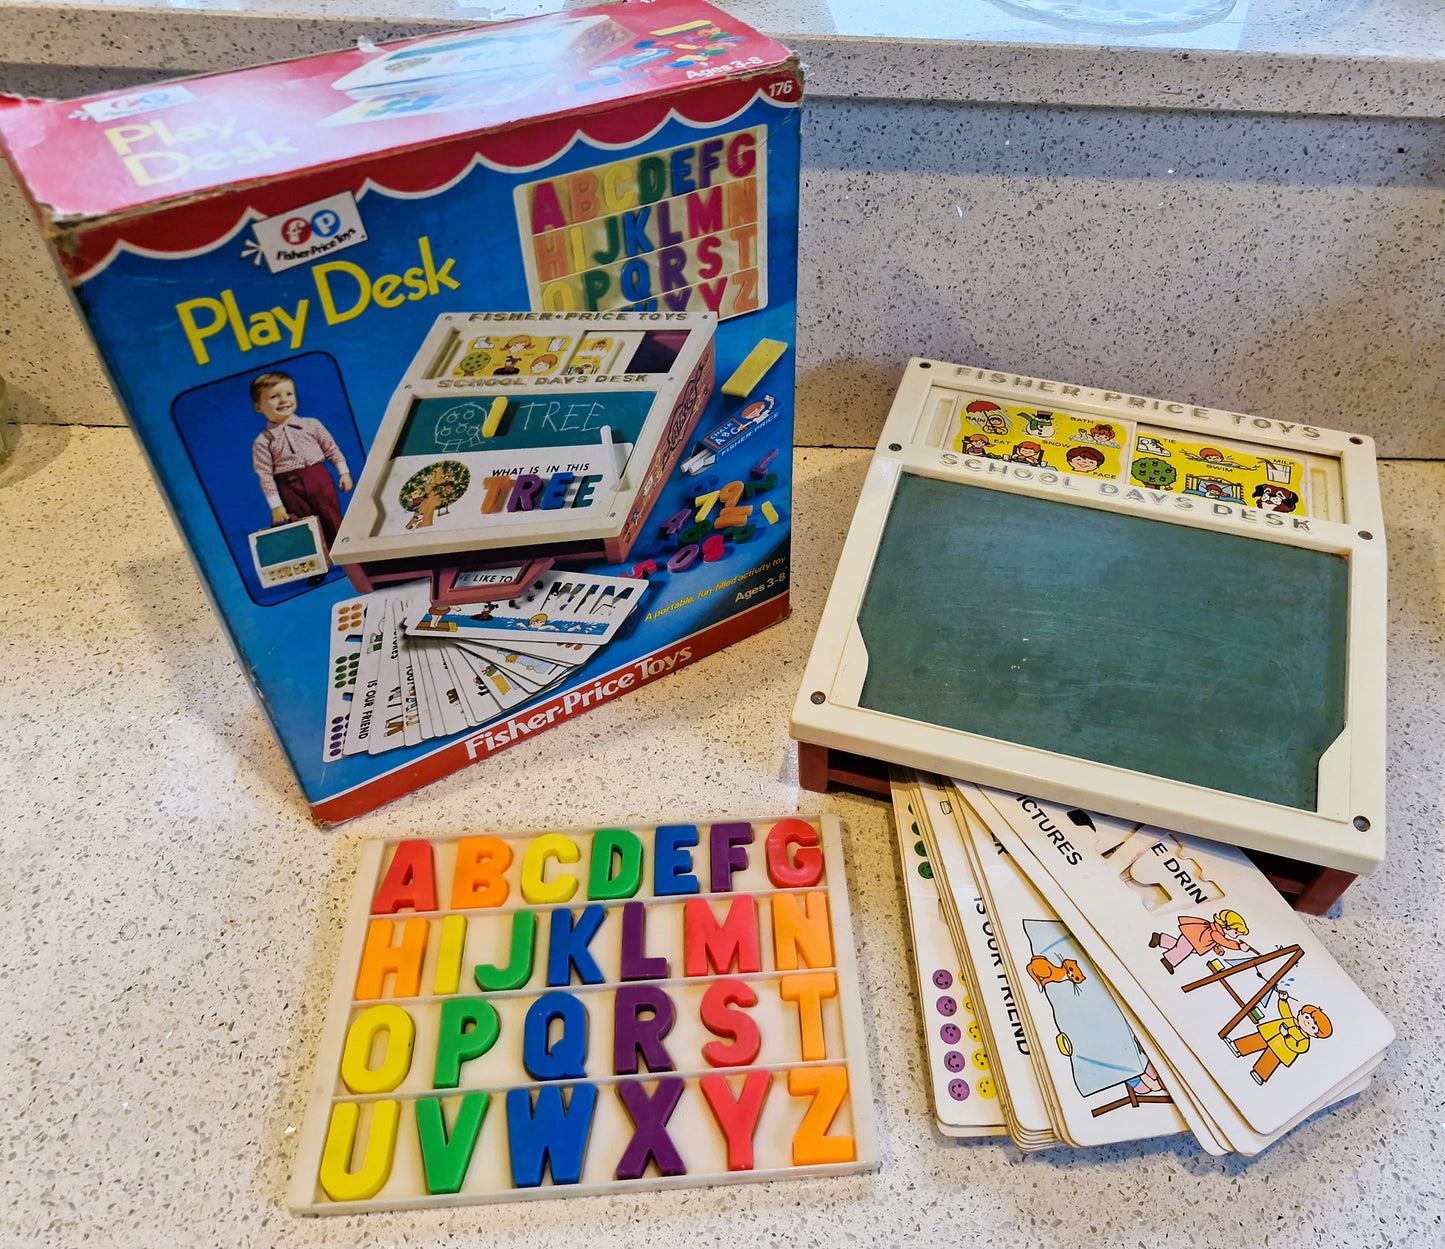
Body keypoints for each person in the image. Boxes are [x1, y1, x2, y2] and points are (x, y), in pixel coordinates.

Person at [249, 371, 351, 547]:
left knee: (331, 516)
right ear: (258, 407)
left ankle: (347, 554)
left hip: (317, 478)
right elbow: (265, 476)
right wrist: (276, 506)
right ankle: (320, 564)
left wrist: (344, 472)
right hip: (288, 487)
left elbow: (331, 449)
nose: (283, 400)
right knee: (305, 526)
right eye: (274, 397)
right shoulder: (263, 441)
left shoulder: (312, 425)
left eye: (289, 394)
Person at [1226, 990, 1331, 1084]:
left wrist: (1287, 1036)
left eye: (1313, 1026)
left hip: (1280, 1050)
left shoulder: (1304, 1040)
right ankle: (1237, 1048)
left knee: (1269, 1061)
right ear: (1300, 1013)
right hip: (1269, 1035)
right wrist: (1283, 1000)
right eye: (1307, 1017)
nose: (1306, 1022)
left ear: (1315, 1035)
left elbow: (1299, 1048)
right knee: (1254, 1041)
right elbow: (1285, 1011)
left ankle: (1259, 1074)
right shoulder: (1292, 1020)